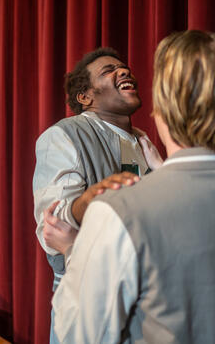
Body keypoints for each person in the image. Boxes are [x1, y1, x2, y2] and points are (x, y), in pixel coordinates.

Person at [47, 30, 215, 343]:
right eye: (110, 70)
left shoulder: (119, 213)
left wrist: (72, 251)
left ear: (161, 108)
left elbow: (74, 333)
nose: (124, 72)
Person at [32, 48, 162, 342]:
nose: (124, 72)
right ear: (85, 97)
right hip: (87, 297)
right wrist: (92, 199)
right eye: (109, 70)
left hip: (144, 296)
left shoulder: (144, 142)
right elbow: (50, 226)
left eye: (125, 68)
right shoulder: (63, 135)